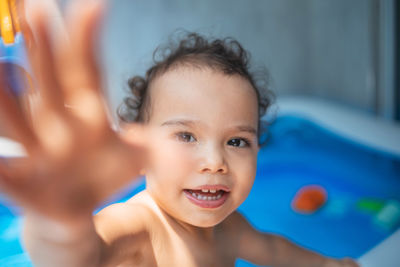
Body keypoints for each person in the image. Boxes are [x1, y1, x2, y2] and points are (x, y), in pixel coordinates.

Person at [0, 1, 359, 266]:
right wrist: (62, 221)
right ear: (141, 154)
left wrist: (333, 265)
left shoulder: (230, 228)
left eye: (237, 141)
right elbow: (78, 256)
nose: (215, 162)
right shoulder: (141, 227)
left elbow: (274, 250)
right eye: (186, 136)